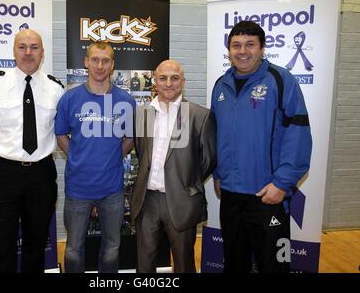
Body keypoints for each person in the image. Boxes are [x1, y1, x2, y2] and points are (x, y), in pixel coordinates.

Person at [210, 21, 312, 273]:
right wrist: (218, 174)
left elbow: (298, 133)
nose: (242, 51)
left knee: (274, 266)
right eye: (236, 45)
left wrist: (282, 183)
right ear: (229, 51)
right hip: (231, 194)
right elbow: (215, 134)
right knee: (235, 263)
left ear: (262, 48)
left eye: (249, 45)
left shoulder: (281, 79)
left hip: (268, 195)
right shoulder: (220, 85)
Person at [0, 29, 65, 273]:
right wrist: (2, 148)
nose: (28, 52)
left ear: (42, 52)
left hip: (41, 175)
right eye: (22, 47)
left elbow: (60, 131)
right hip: (4, 174)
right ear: (13, 51)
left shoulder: (56, 89)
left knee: (36, 244)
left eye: (34, 47)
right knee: (2, 246)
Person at [55, 41, 136, 273]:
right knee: (73, 248)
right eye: (95, 59)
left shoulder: (126, 100)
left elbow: (130, 138)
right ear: (86, 62)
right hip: (78, 188)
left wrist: (112, 157)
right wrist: (77, 156)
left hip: (112, 189)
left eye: (106, 60)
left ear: (112, 65)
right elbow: (60, 133)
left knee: (112, 247)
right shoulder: (69, 99)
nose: (100, 65)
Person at [131, 59, 217, 273]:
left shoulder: (199, 115)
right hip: (147, 200)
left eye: (175, 78)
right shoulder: (142, 113)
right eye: (163, 78)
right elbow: (142, 152)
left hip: (181, 201)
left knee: (183, 262)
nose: (169, 83)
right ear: (155, 81)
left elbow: (208, 160)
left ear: (183, 82)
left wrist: (185, 182)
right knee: (144, 262)